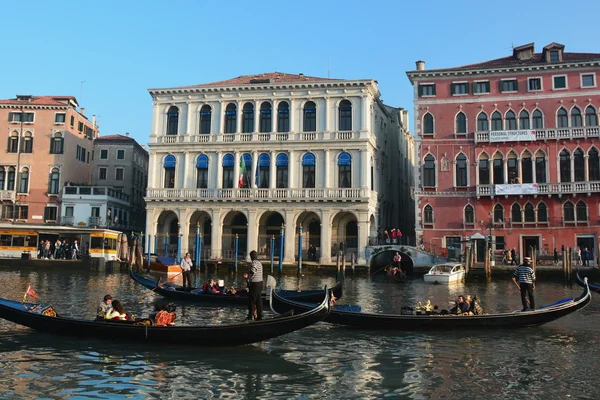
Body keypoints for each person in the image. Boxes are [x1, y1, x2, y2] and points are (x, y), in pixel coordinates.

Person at [243, 250, 263, 321]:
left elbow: (253, 270)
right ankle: (260, 316)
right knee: (258, 300)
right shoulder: (259, 263)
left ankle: (250, 316)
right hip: (260, 283)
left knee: (251, 301)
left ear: (251, 256)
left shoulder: (254, 262)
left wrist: (247, 274)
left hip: (255, 284)